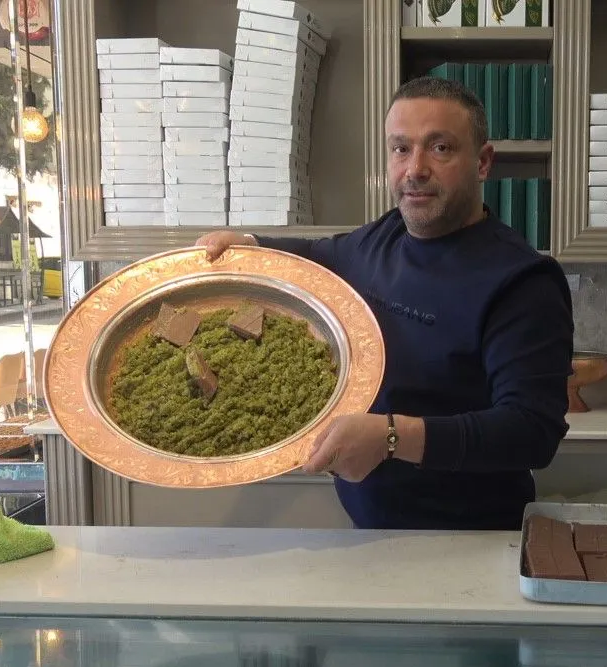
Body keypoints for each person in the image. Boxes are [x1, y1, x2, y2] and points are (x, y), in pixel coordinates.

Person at [196, 76, 573, 531]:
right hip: (370, 532)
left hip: (472, 540)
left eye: (440, 148)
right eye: (401, 148)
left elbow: (532, 431)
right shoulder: (387, 234)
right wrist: (252, 244)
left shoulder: (522, 281)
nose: (415, 168)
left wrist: (391, 437)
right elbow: (320, 255)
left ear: (482, 162)